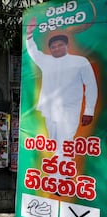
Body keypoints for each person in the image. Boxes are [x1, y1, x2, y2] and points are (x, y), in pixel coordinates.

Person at [26, 17, 98, 166]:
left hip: (70, 110)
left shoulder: (80, 61)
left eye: (60, 45)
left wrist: (89, 111)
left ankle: (61, 178)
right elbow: (32, 51)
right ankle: (59, 177)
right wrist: (29, 34)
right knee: (53, 143)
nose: (56, 48)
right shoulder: (45, 60)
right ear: (50, 49)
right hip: (49, 110)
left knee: (65, 143)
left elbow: (91, 85)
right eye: (53, 46)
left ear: (67, 45)